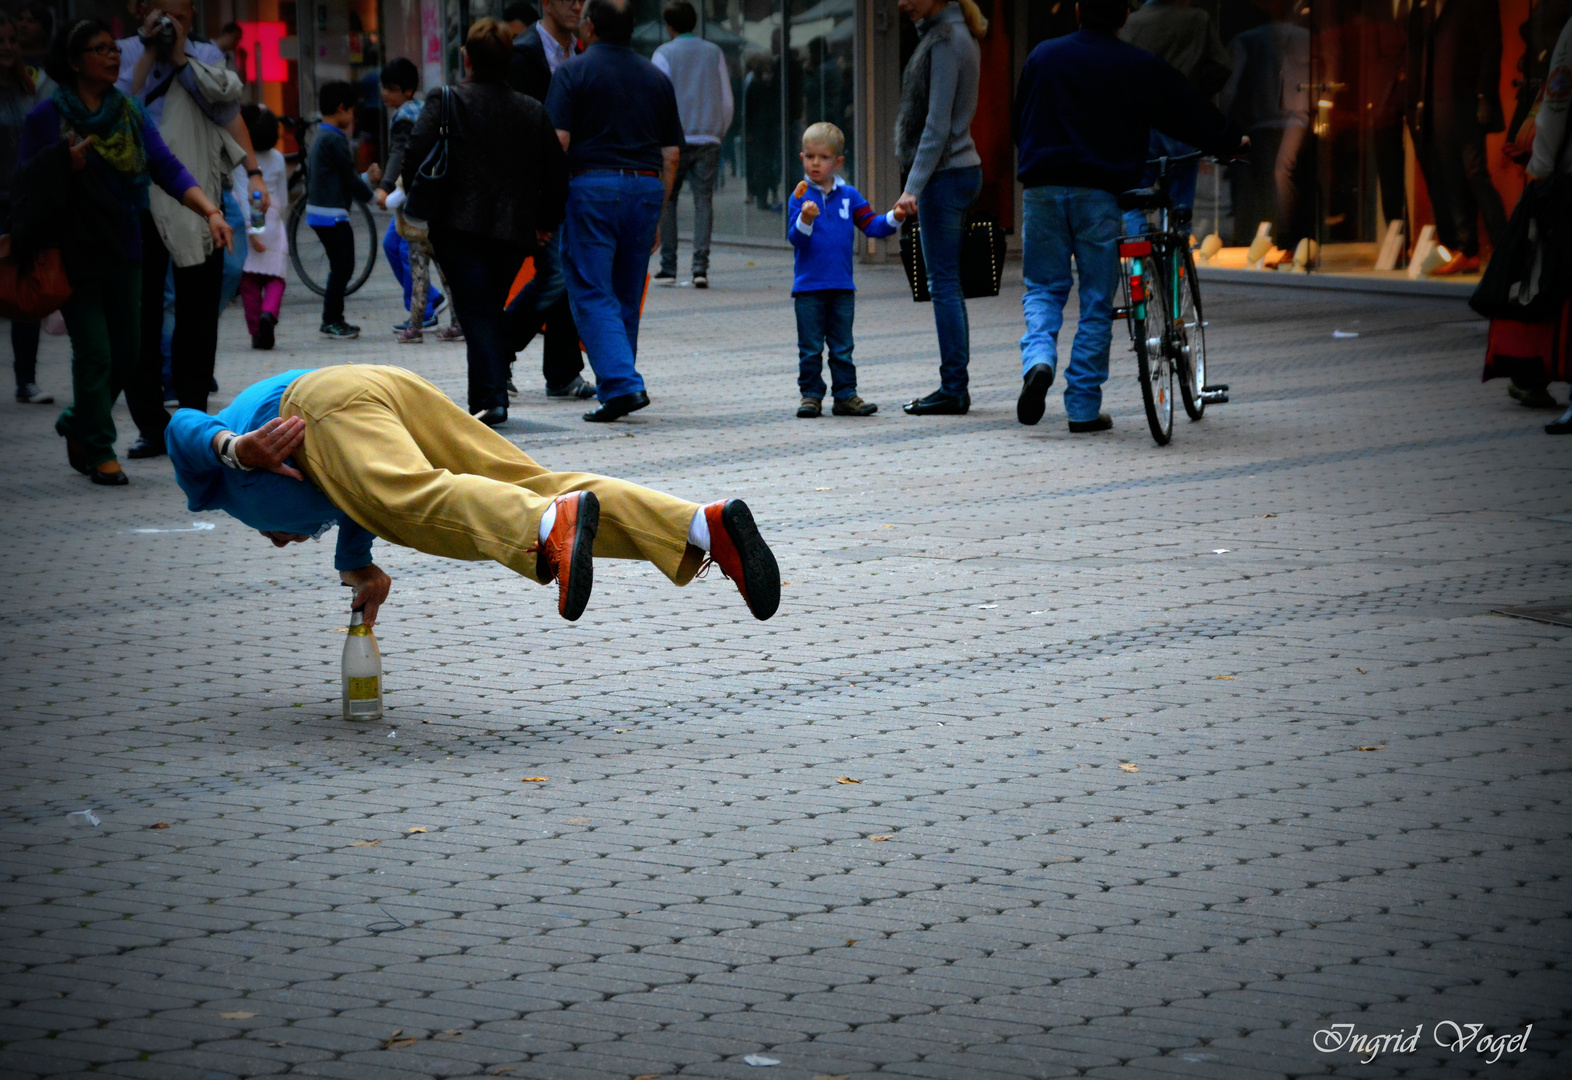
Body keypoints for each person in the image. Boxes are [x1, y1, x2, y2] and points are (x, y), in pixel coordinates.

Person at [163, 364, 781, 626]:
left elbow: (181, 426)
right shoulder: (338, 491)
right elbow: (361, 499)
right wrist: (356, 566)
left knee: (419, 503)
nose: (287, 539)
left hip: (318, 404)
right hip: (379, 387)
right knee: (528, 483)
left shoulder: (218, 488)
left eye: (286, 537)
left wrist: (235, 449)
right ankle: (702, 527)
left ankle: (543, 526)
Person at [14, 18, 230, 486]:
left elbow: (166, 168)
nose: (113, 56)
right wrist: (60, 163)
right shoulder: (47, 117)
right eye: (99, 49)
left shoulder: (128, 113)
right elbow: (21, 181)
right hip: (72, 250)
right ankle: (99, 450)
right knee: (94, 353)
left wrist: (210, 210)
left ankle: (78, 420)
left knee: (129, 355)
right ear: (74, 63)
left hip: (125, 247)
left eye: (114, 48)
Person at [1012, 0, 1245, 433]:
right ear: (1124, 16)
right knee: (1097, 303)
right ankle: (1082, 408)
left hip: (1041, 189)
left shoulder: (1043, 55)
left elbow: (1017, 121)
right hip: (1098, 195)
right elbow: (1186, 108)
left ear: (1079, 9)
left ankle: (1039, 360)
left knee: (1043, 288)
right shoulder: (1135, 63)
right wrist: (1230, 139)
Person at [117, 0, 267, 460]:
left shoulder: (206, 55)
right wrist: (148, 50)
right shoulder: (120, 52)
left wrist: (182, 58)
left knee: (198, 314)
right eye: (161, 14)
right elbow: (122, 101)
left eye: (179, 16)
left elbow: (224, 108)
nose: (170, 24)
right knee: (139, 317)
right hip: (138, 199)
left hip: (197, 196)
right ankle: (149, 424)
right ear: (140, 9)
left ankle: (194, 418)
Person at [400, 18, 568, 424]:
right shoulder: (531, 109)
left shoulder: (445, 100)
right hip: (513, 230)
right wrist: (544, 223)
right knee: (486, 307)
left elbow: (414, 154)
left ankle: (491, 398)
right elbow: (556, 174)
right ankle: (488, 396)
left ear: (468, 59)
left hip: (458, 226)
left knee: (478, 310)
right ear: (509, 58)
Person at [547, 0, 684, 423]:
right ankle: (617, 386)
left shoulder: (573, 72)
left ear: (589, 26)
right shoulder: (656, 77)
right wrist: (660, 209)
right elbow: (672, 153)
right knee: (626, 293)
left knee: (590, 289)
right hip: (645, 187)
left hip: (592, 187)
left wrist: (548, 201)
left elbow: (560, 141)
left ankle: (622, 385)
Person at [894, 0, 985, 418]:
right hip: (954, 170)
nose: (901, 2)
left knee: (943, 283)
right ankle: (954, 385)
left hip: (945, 174)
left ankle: (953, 388)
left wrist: (911, 187)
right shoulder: (948, 34)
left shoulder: (947, 39)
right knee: (946, 282)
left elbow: (937, 124)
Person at [506, 0, 594, 402]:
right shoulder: (523, 53)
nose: (577, 5)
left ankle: (561, 372)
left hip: (577, 185)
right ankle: (497, 351)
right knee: (556, 275)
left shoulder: (582, 51)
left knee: (567, 277)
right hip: (537, 188)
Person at [786, 123, 903, 419]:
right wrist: (806, 218)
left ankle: (845, 395)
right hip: (808, 288)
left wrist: (896, 216)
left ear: (838, 162)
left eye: (823, 157)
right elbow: (796, 240)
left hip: (841, 287)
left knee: (842, 347)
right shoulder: (799, 197)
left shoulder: (849, 195)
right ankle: (811, 395)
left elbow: (872, 226)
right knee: (811, 348)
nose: (815, 163)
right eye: (810, 156)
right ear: (802, 157)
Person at [1118, 0, 1231, 237]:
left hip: (1142, 125)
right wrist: (1196, 97)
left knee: (1133, 199)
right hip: (1183, 123)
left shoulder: (1131, 23)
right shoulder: (1197, 19)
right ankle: (1176, 264)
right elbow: (1221, 65)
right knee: (1180, 207)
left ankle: (1141, 250)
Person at [374, 57, 461, 345]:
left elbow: (401, 154)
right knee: (441, 267)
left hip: (415, 204)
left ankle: (419, 320)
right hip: (436, 199)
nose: (385, 94)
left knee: (416, 262)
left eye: (390, 89)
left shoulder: (405, 118)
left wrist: (386, 188)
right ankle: (451, 318)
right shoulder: (424, 110)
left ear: (407, 91)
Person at [652, 0, 732, 289]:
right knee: (703, 200)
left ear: (669, 26)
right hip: (708, 138)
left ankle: (668, 266)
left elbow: (656, 98)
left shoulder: (664, 53)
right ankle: (700, 268)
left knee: (669, 199)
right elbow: (726, 99)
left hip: (674, 139)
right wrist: (717, 131)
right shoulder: (714, 52)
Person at [306, 80, 380, 340]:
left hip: (318, 212)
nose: (352, 118)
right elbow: (348, 178)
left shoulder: (320, 135)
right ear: (341, 109)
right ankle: (332, 319)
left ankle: (332, 318)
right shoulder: (335, 138)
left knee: (340, 266)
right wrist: (373, 198)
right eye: (351, 111)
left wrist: (365, 179)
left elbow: (340, 175)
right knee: (343, 267)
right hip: (332, 215)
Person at [0, 11, 47, 405]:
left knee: (23, 292)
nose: (7, 48)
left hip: (20, 202)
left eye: (11, 41)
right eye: (0, 42)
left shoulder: (25, 86)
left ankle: (25, 379)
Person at [230, 105, 286, 350]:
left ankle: (256, 331)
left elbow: (242, 194)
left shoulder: (240, 160)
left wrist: (251, 229)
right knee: (276, 277)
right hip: (271, 221)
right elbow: (282, 196)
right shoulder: (278, 158)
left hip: (248, 223)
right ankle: (269, 313)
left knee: (249, 283)